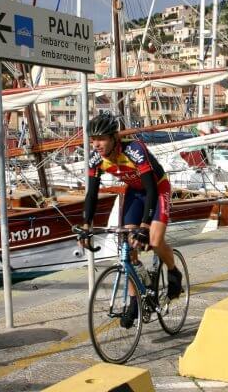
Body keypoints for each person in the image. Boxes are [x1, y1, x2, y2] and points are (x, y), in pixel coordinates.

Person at [77, 112, 182, 328]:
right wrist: (86, 226)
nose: (96, 144)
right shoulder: (96, 160)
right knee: (127, 247)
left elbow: (152, 188)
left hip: (157, 189)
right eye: (93, 139)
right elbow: (92, 194)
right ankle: (135, 301)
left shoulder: (134, 150)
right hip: (134, 192)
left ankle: (173, 271)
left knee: (153, 240)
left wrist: (144, 225)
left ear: (115, 137)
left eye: (102, 139)